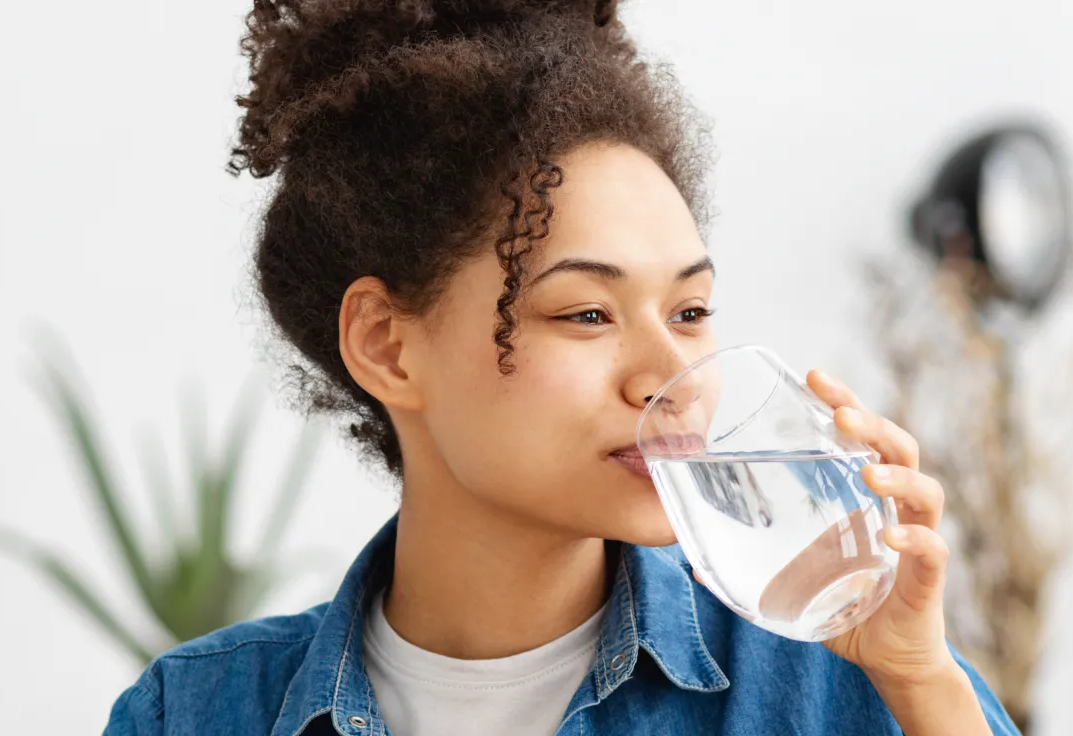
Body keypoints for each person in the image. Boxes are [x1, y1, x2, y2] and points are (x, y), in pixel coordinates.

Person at [104, 1, 1020, 734]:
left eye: (691, 312)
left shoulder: (834, 686)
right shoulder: (191, 714)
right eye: (587, 313)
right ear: (387, 344)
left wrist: (921, 685)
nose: (667, 375)